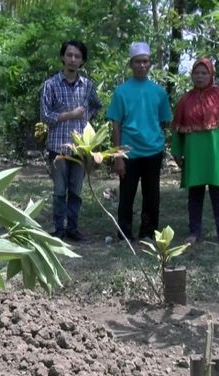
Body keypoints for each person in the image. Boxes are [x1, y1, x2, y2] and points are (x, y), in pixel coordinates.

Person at [106, 41, 172, 242]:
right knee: (127, 195)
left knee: (152, 195)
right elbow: (116, 125)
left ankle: (148, 232)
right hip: (129, 152)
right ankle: (124, 233)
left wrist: (152, 137)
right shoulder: (121, 92)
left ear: (150, 63)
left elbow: (163, 122)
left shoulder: (159, 92)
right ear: (131, 64)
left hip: (153, 151)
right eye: (137, 62)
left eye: (145, 61)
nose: (142, 65)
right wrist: (118, 157)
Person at [171, 58, 219, 248]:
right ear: (191, 75)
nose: (200, 76)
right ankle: (194, 232)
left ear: (211, 75)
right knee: (195, 194)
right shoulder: (185, 100)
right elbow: (176, 129)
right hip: (193, 153)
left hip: (216, 152)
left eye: (204, 73)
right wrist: (177, 152)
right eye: (196, 73)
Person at [40, 40, 102, 241]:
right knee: (59, 191)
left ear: (82, 61)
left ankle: (73, 229)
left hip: (80, 149)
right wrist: (71, 115)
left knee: (76, 191)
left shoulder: (87, 85)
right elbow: (45, 116)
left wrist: (85, 118)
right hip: (57, 147)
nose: (73, 60)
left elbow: (96, 105)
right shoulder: (50, 85)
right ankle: (59, 229)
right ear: (62, 57)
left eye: (77, 56)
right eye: (69, 55)